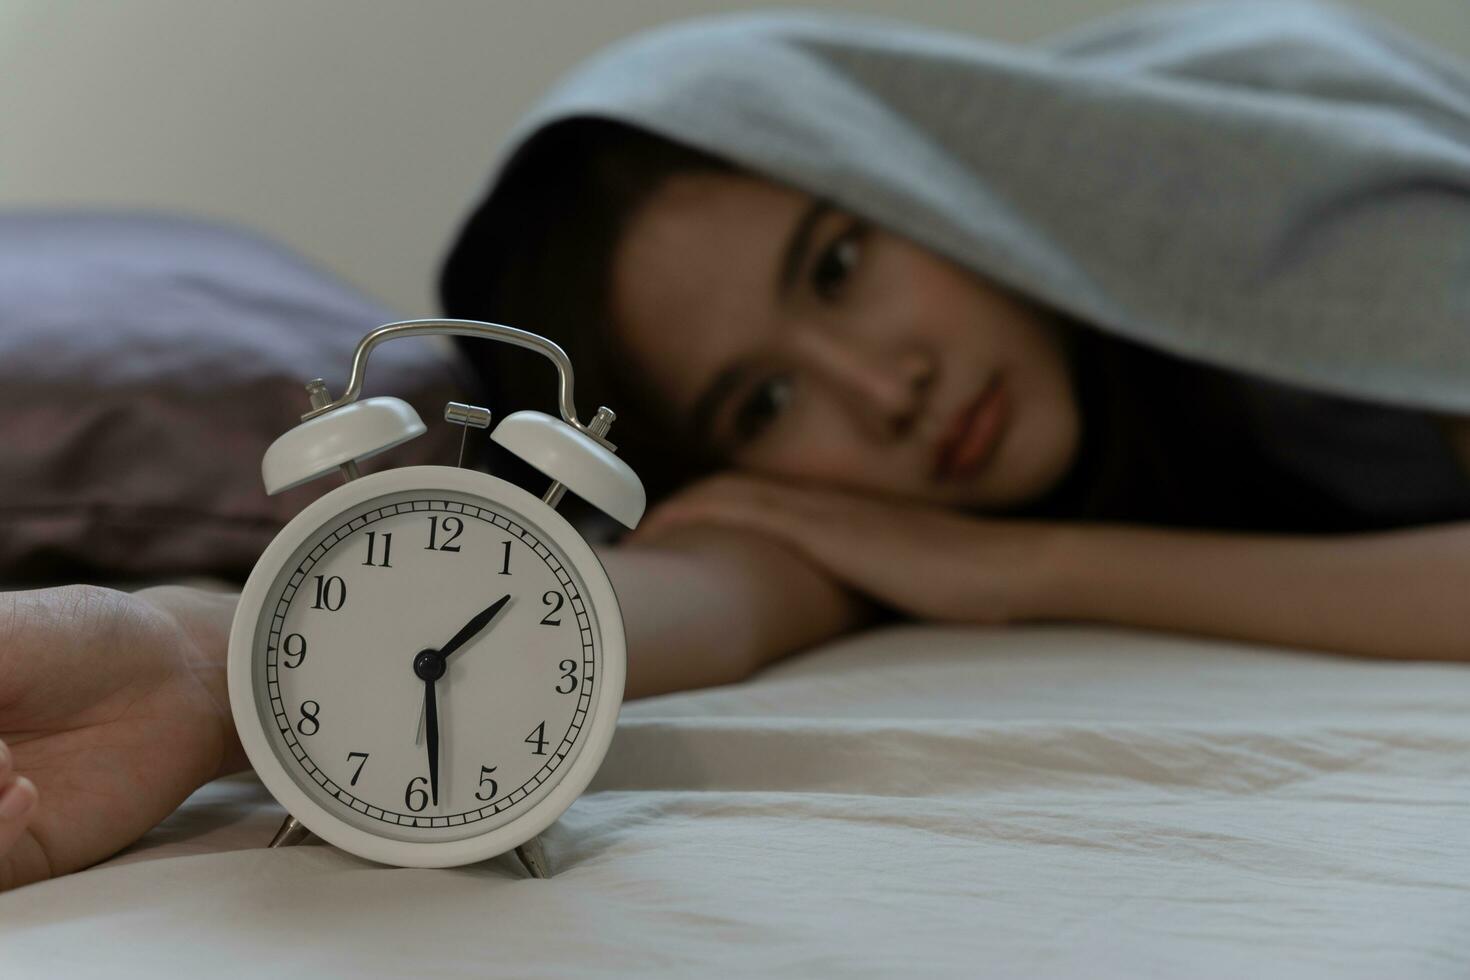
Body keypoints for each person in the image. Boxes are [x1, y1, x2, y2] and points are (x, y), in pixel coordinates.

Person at [4, 0, 1470, 893]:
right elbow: (601, 594)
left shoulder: (1283, 141)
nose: (874, 390)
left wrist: (1020, 567)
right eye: (760, 405)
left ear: (904, 156)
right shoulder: (862, 510)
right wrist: (205, 666)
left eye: (837, 264)